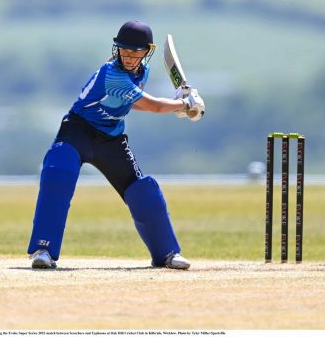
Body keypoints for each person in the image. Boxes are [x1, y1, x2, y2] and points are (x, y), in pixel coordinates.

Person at [27, 20, 205, 270]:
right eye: (125, 51)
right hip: (78, 131)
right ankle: (43, 250)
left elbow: (136, 102)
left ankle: (167, 253)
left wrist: (176, 104)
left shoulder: (142, 72)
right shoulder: (112, 74)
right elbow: (152, 106)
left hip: (111, 139)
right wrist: (183, 105)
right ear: (117, 49)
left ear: (146, 53)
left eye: (136, 52)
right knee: (59, 172)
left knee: (143, 190)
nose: (130, 57)